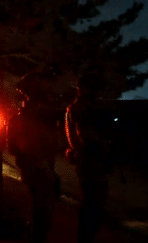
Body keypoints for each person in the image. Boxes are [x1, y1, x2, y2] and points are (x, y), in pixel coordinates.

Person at [8, 72, 62, 243]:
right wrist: (43, 166)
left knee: (40, 212)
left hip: (38, 167)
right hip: (38, 168)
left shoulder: (26, 116)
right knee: (41, 213)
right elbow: (26, 146)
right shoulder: (29, 117)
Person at [65, 87, 113, 243]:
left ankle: (87, 236)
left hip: (92, 157)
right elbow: (78, 135)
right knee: (92, 202)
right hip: (89, 158)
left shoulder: (84, 108)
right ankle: (85, 237)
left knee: (95, 201)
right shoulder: (79, 109)